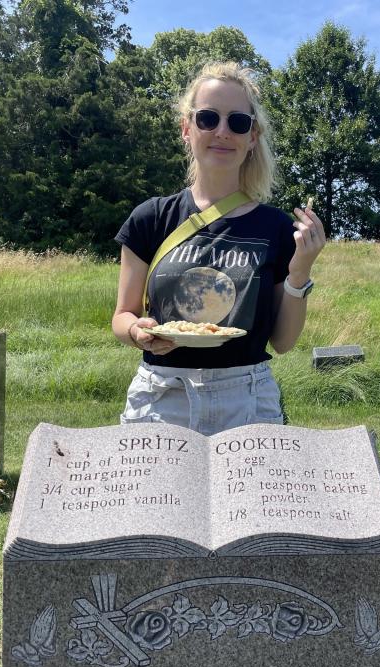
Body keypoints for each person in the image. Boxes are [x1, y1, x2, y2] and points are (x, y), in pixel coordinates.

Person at [111, 61, 326, 434]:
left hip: (247, 399)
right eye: (208, 118)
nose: (222, 132)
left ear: (252, 136)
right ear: (186, 129)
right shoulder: (151, 217)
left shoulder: (276, 227)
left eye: (237, 122)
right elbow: (122, 315)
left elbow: (284, 341)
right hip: (162, 396)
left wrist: (300, 271)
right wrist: (137, 332)